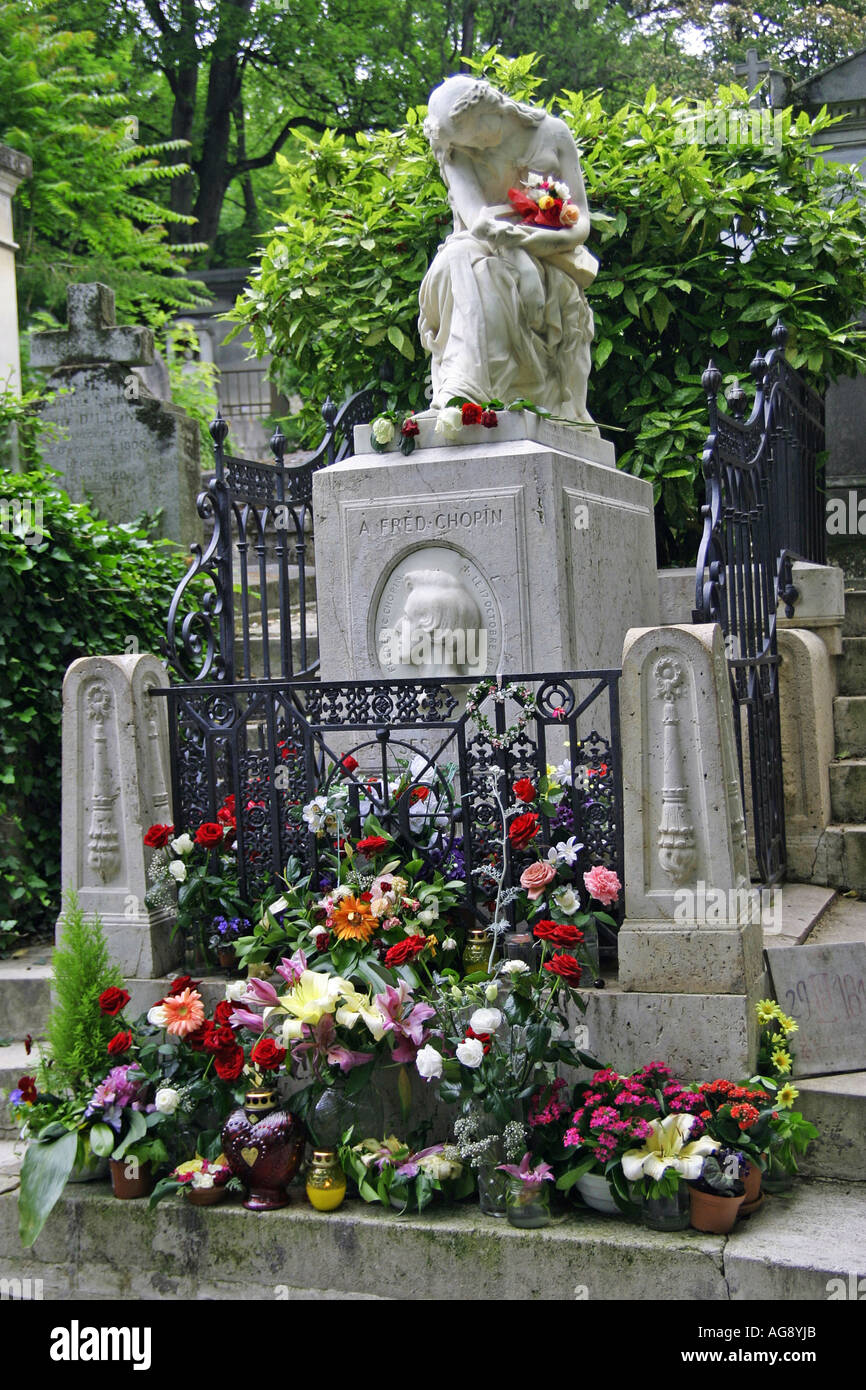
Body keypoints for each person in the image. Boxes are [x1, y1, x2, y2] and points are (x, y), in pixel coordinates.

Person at [419, 75, 598, 424]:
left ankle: (467, 395)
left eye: (478, 136)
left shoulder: (554, 133)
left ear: (491, 108)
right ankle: (464, 393)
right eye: (468, 145)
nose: (478, 149)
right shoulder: (457, 149)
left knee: (486, 275)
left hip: (550, 253)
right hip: (481, 246)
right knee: (465, 263)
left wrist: (539, 244)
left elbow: (582, 222)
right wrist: (517, 256)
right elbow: (477, 221)